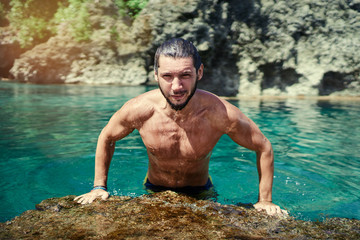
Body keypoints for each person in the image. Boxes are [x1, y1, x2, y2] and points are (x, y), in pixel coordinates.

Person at [75, 38, 286, 216]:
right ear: (156, 74)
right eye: (167, 76)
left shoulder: (220, 114)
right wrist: (98, 187)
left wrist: (265, 201)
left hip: (202, 191)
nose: (176, 87)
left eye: (185, 75)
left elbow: (263, 147)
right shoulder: (139, 110)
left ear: (199, 72)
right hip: (153, 189)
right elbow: (106, 136)